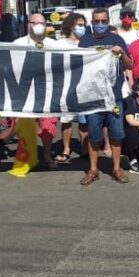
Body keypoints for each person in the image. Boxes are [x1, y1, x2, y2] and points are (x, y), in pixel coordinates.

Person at [78, 8, 134, 184]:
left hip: (113, 96)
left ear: (108, 22)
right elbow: (76, 65)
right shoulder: (85, 41)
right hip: (92, 97)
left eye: (103, 21)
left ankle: (116, 169)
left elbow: (130, 65)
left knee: (116, 134)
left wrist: (122, 53)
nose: (100, 24)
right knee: (94, 135)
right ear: (92, 22)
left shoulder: (117, 39)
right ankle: (93, 170)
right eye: (97, 21)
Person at [12, 13, 63, 170]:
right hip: (25, 92)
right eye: (34, 23)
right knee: (24, 127)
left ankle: (47, 156)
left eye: (41, 23)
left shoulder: (54, 44)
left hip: (47, 92)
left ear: (46, 25)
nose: (38, 26)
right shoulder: (17, 44)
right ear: (28, 24)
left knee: (48, 127)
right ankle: (26, 158)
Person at [54, 12, 86, 164]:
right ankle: (66, 149)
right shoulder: (59, 44)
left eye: (84, 25)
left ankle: (85, 148)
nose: (82, 28)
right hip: (65, 86)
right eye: (79, 25)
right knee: (66, 119)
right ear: (71, 26)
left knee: (83, 120)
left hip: (83, 86)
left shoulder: (86, 43)